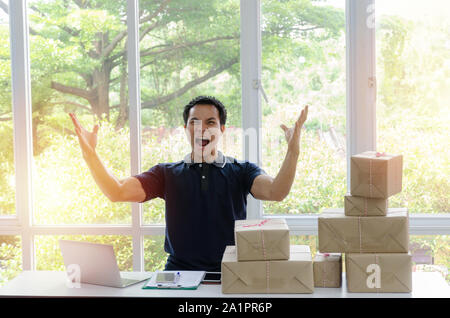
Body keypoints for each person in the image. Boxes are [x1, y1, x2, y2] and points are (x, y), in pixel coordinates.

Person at [69, 95, 308, 272]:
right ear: (185, 129)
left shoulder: (241, 171)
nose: (201, 128)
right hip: (177, 274)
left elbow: (276, 191)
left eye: (210, 122)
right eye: (194, 122)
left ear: (222, 129)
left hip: (229, 274)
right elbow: (116, 192)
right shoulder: (166, 173)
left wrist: (293, 150)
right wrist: (90, 154)